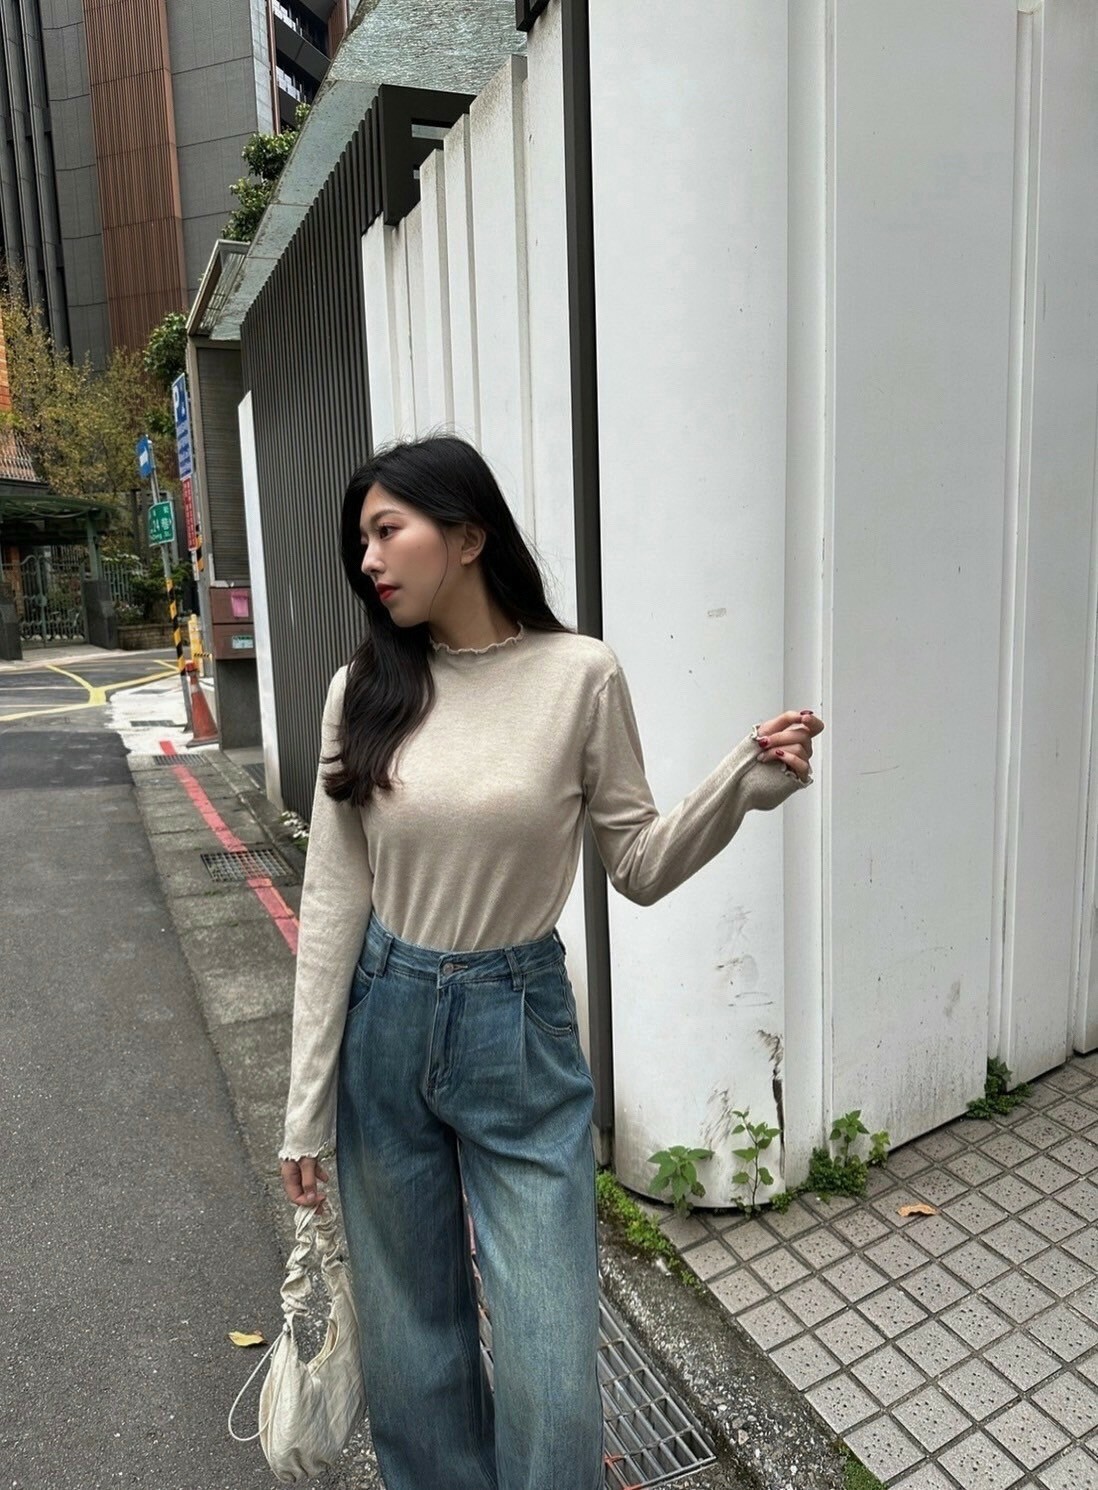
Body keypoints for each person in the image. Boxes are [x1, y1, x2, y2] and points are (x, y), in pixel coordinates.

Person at [278, 433, 822, 1490]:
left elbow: (638, 862)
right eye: (362, 541)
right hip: (385, 1019)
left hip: (516, 1023)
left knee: (551, 1362)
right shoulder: (364, 687)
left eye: (388, 530)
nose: (369, 560)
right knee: (412, 1344)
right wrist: (303, 1107)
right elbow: (335, 898)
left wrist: (743, 785)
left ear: (468, 535)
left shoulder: (580, 675)